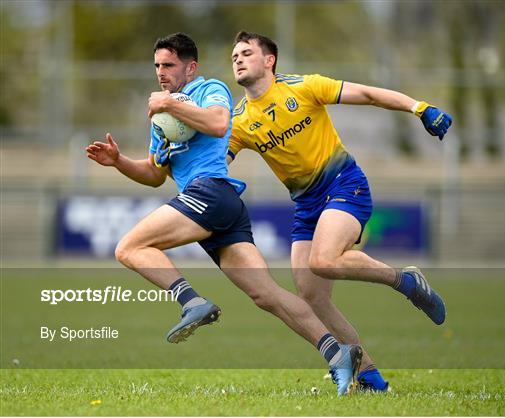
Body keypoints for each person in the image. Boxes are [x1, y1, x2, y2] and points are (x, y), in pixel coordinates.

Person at [86, 32, 363, 396]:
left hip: (212, 193)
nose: (161, 72)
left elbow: (218, 123)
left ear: (191, 66)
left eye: (168, 65)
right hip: (217, 208)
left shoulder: (209, 89)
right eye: (156, 65)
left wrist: (169, 105)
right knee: (267, 295)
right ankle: (337, 353)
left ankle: (192, 302)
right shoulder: (162, 116)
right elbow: (155, 174)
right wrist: (119, 161)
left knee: (130, 247)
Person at [228, 31, 453, 392]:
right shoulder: (238, 120)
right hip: (305, 205)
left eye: (246, 53)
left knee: (323, 260)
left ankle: (406, 282)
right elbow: (216, 165)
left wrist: (419, 107)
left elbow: (368, 94)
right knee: (311, 295)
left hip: (344, 185)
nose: (237, 59)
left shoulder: (304, 87)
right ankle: (371, 378)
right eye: (234, 55)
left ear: (269, 60)